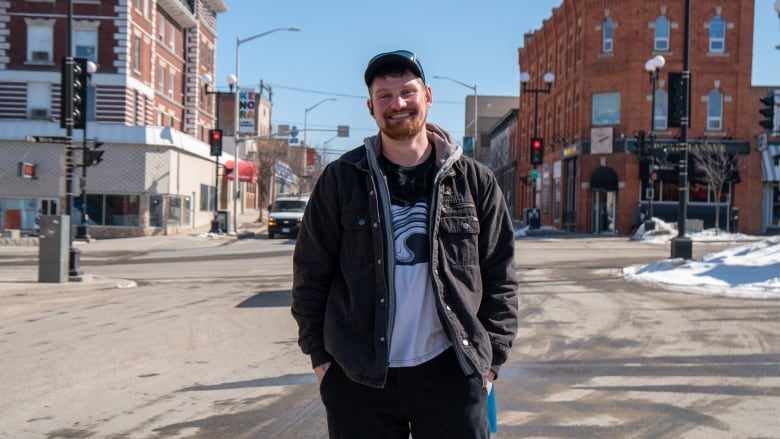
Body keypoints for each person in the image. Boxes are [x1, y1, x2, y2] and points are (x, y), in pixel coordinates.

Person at [291, 50, 519, 439]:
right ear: (370, 107)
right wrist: (321, 361)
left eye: (407, 92)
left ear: (428, 96)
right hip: (357, 374)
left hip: (452, 370)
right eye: (384, 95)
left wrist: (491, 359)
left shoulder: (474, 181)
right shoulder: (341, 179)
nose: (397, 104)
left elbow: (501, 274)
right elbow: (311, 273)